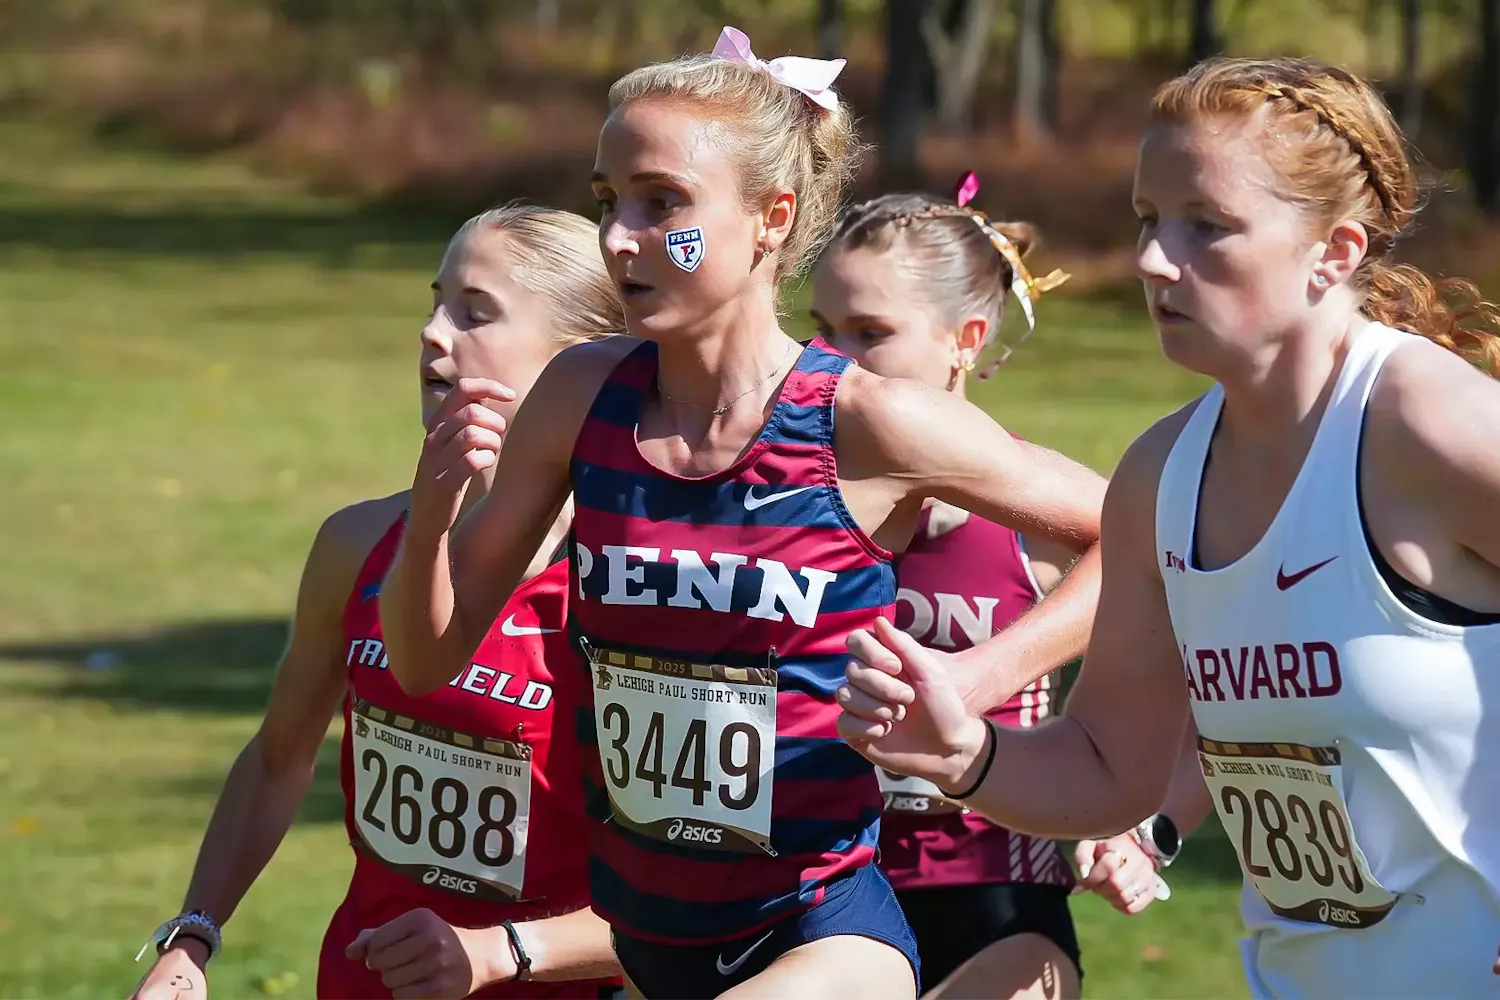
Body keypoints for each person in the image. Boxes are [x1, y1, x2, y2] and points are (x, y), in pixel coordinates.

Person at [380, 26, 1108, 1000]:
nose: (619, 238)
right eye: (608, 201)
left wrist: (977, 677)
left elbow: (1130, 531)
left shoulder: (864, 422)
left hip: (822, 933)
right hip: (644, 941)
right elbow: (426, 661)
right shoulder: (578, 396)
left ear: (771, 218)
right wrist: (430, 522)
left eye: (662, 203)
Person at [836, 55, 1500, 999]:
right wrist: (966, 755)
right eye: (1151, 220)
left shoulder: (1423, 424)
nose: (1153, 259)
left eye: (1209, 228)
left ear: (1336, 252)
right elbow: (1109, 764)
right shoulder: (1161, 475)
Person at [131, 203, 627, 1000]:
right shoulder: (356, 546)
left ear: (580, 359)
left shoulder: (627, 587)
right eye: (434, 303)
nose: (432, 333)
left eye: (475, 313)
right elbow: (276, 759)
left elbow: (698, 897)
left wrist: (501, 951)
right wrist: (193, 936)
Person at [811, 181, 1149, 999]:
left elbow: (1157, 599)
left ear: (964, 339)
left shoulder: (1040, 516)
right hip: (819, 886)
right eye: (821, 332)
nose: (834, 363)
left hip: (996, 900)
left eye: (871, 333)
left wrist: (1132, 825)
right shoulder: (792, 499)